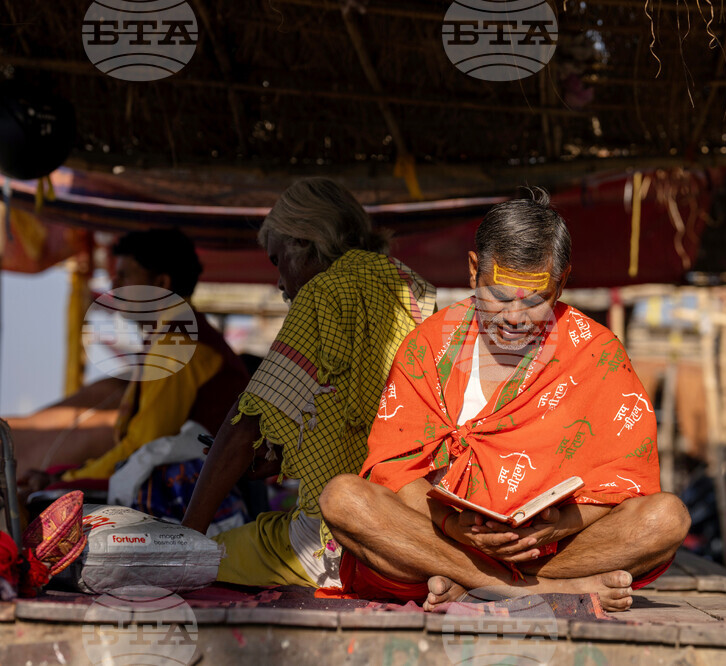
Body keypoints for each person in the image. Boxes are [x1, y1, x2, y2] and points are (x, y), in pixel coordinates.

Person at [320, 189, 690, 612]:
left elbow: (625, 481)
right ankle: (520, 591)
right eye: (498, 295)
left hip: (552, 550)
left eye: (535, 300)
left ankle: (476, 584)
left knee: (668, 518)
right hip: (444, 541)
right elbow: (392, 468)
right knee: (342, 497)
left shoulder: (596, 351)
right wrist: (453, 525)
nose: (515, 318)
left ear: (562, 281)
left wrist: (560, 525)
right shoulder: (428, 345)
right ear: (474, 269)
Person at [182, 177, 436, 588]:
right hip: (408, 531)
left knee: (202, 559)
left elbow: (246, 421)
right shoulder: (412, 289)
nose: (279, 282)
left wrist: (186, 536)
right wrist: (279, 459)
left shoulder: (325, 292)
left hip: (336, 545)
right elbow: (365, 415)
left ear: (305, 242)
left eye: (277, 260)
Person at [18, 228, 249, 493]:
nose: (114, 287)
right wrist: (67, 476)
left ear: (162, 283)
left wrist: (67, 480)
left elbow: (143, 448)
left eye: (125, 276)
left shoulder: (177, 345)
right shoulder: (178, 335)